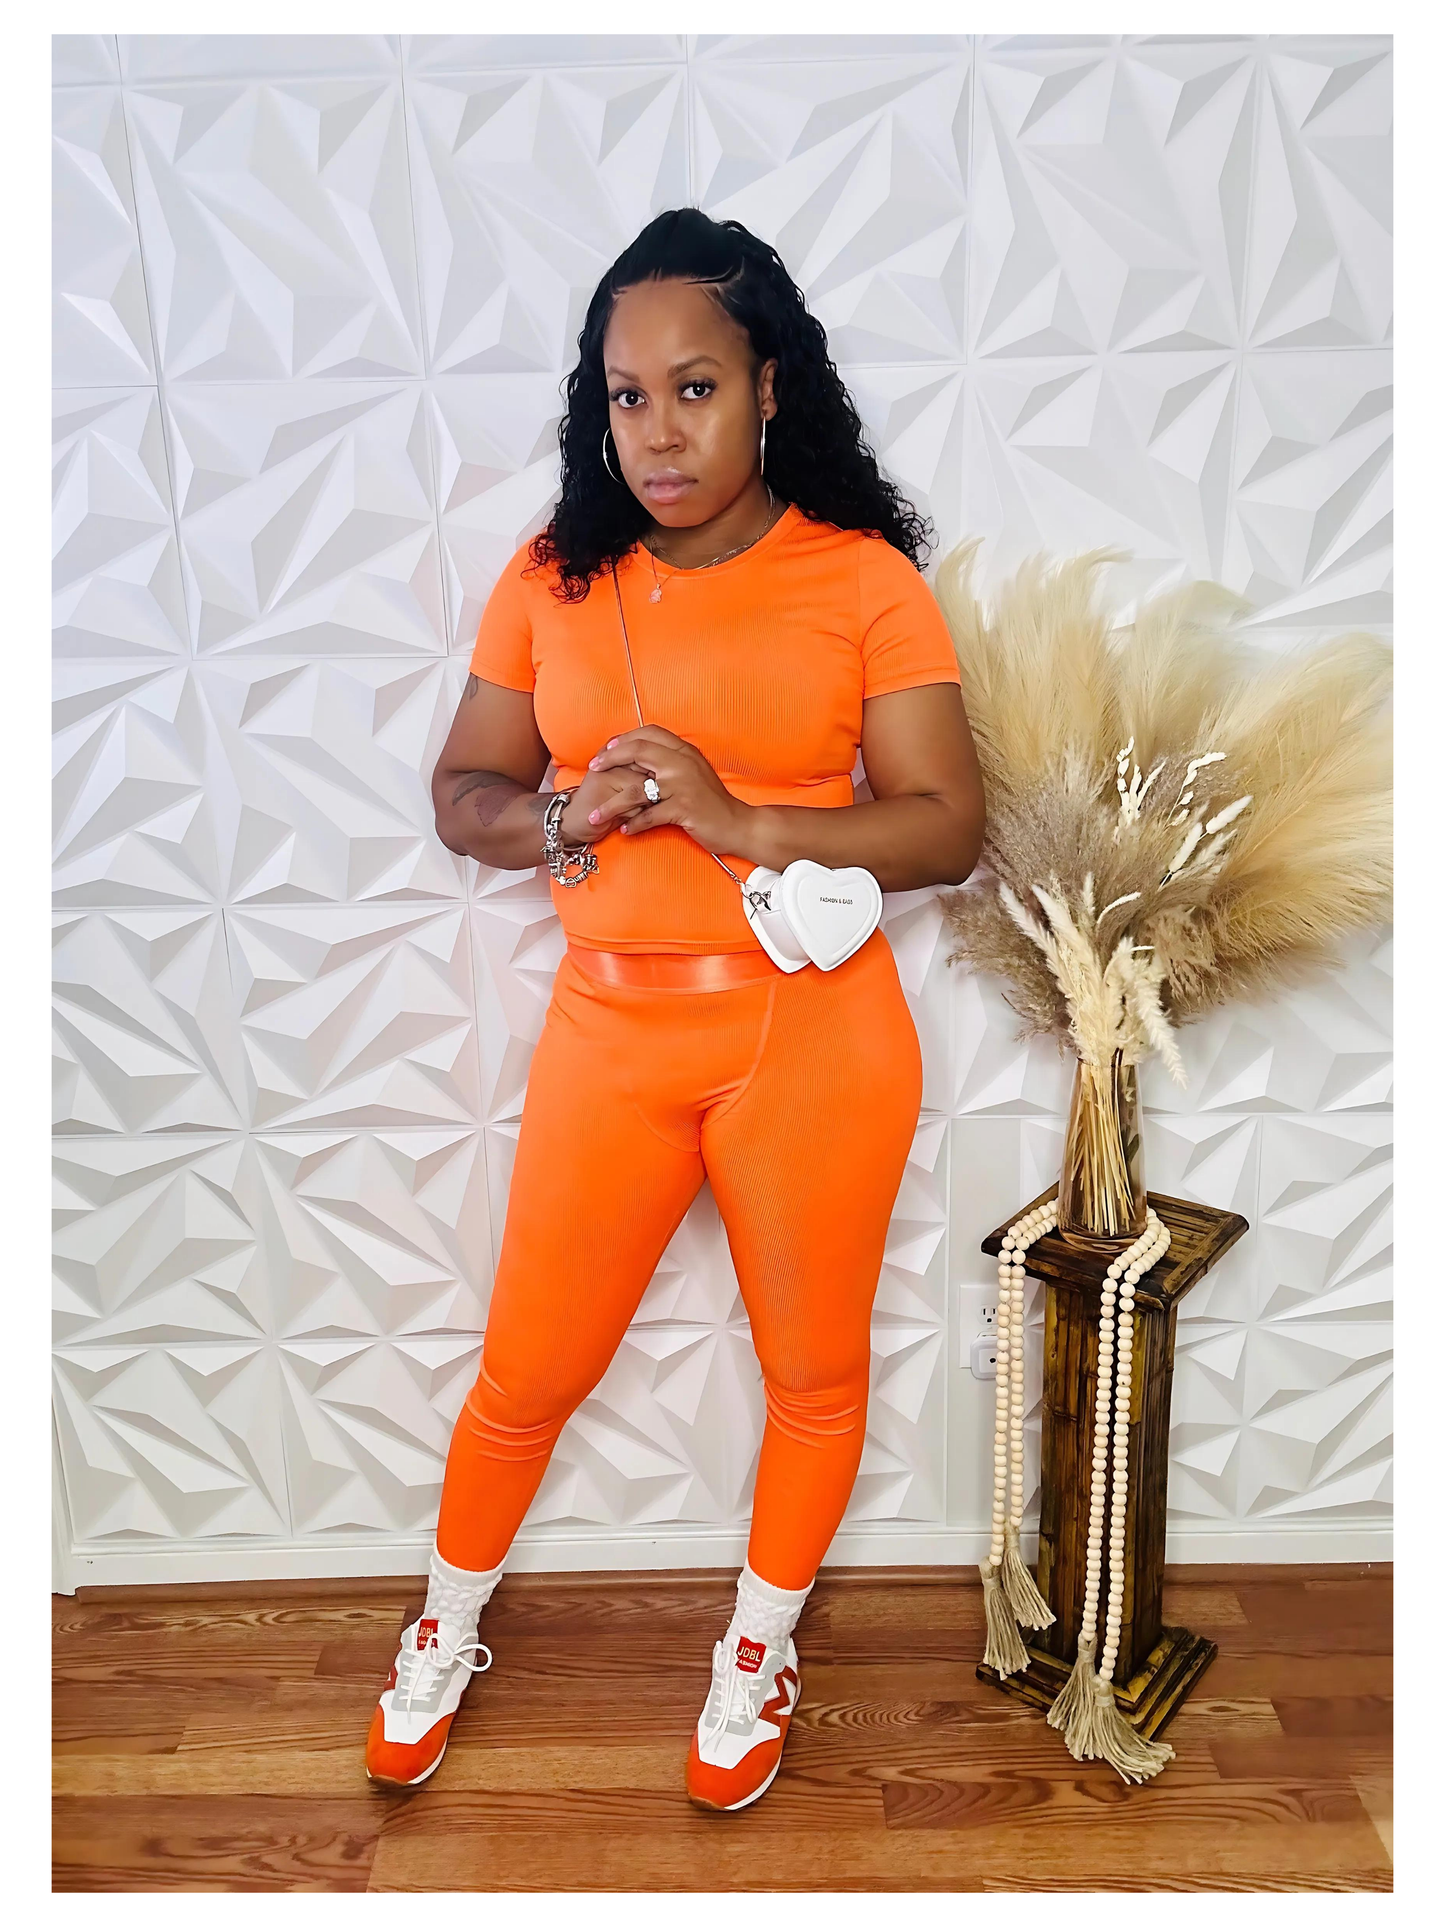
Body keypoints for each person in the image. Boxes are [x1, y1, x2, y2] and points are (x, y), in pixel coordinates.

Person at [365, 207, 985, 1811]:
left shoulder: (862, 578)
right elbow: (464, 790)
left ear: (770, 383)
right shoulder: (553, 576)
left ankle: (757, 1651)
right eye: (625, 394)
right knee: (526, 1370)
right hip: (612, 1030)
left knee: (815, 1373)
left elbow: (946, 827)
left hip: (812, 1034)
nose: (656, 430)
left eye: (694, 387)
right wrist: (564, 815)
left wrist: (740, 815)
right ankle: (442, 1625)